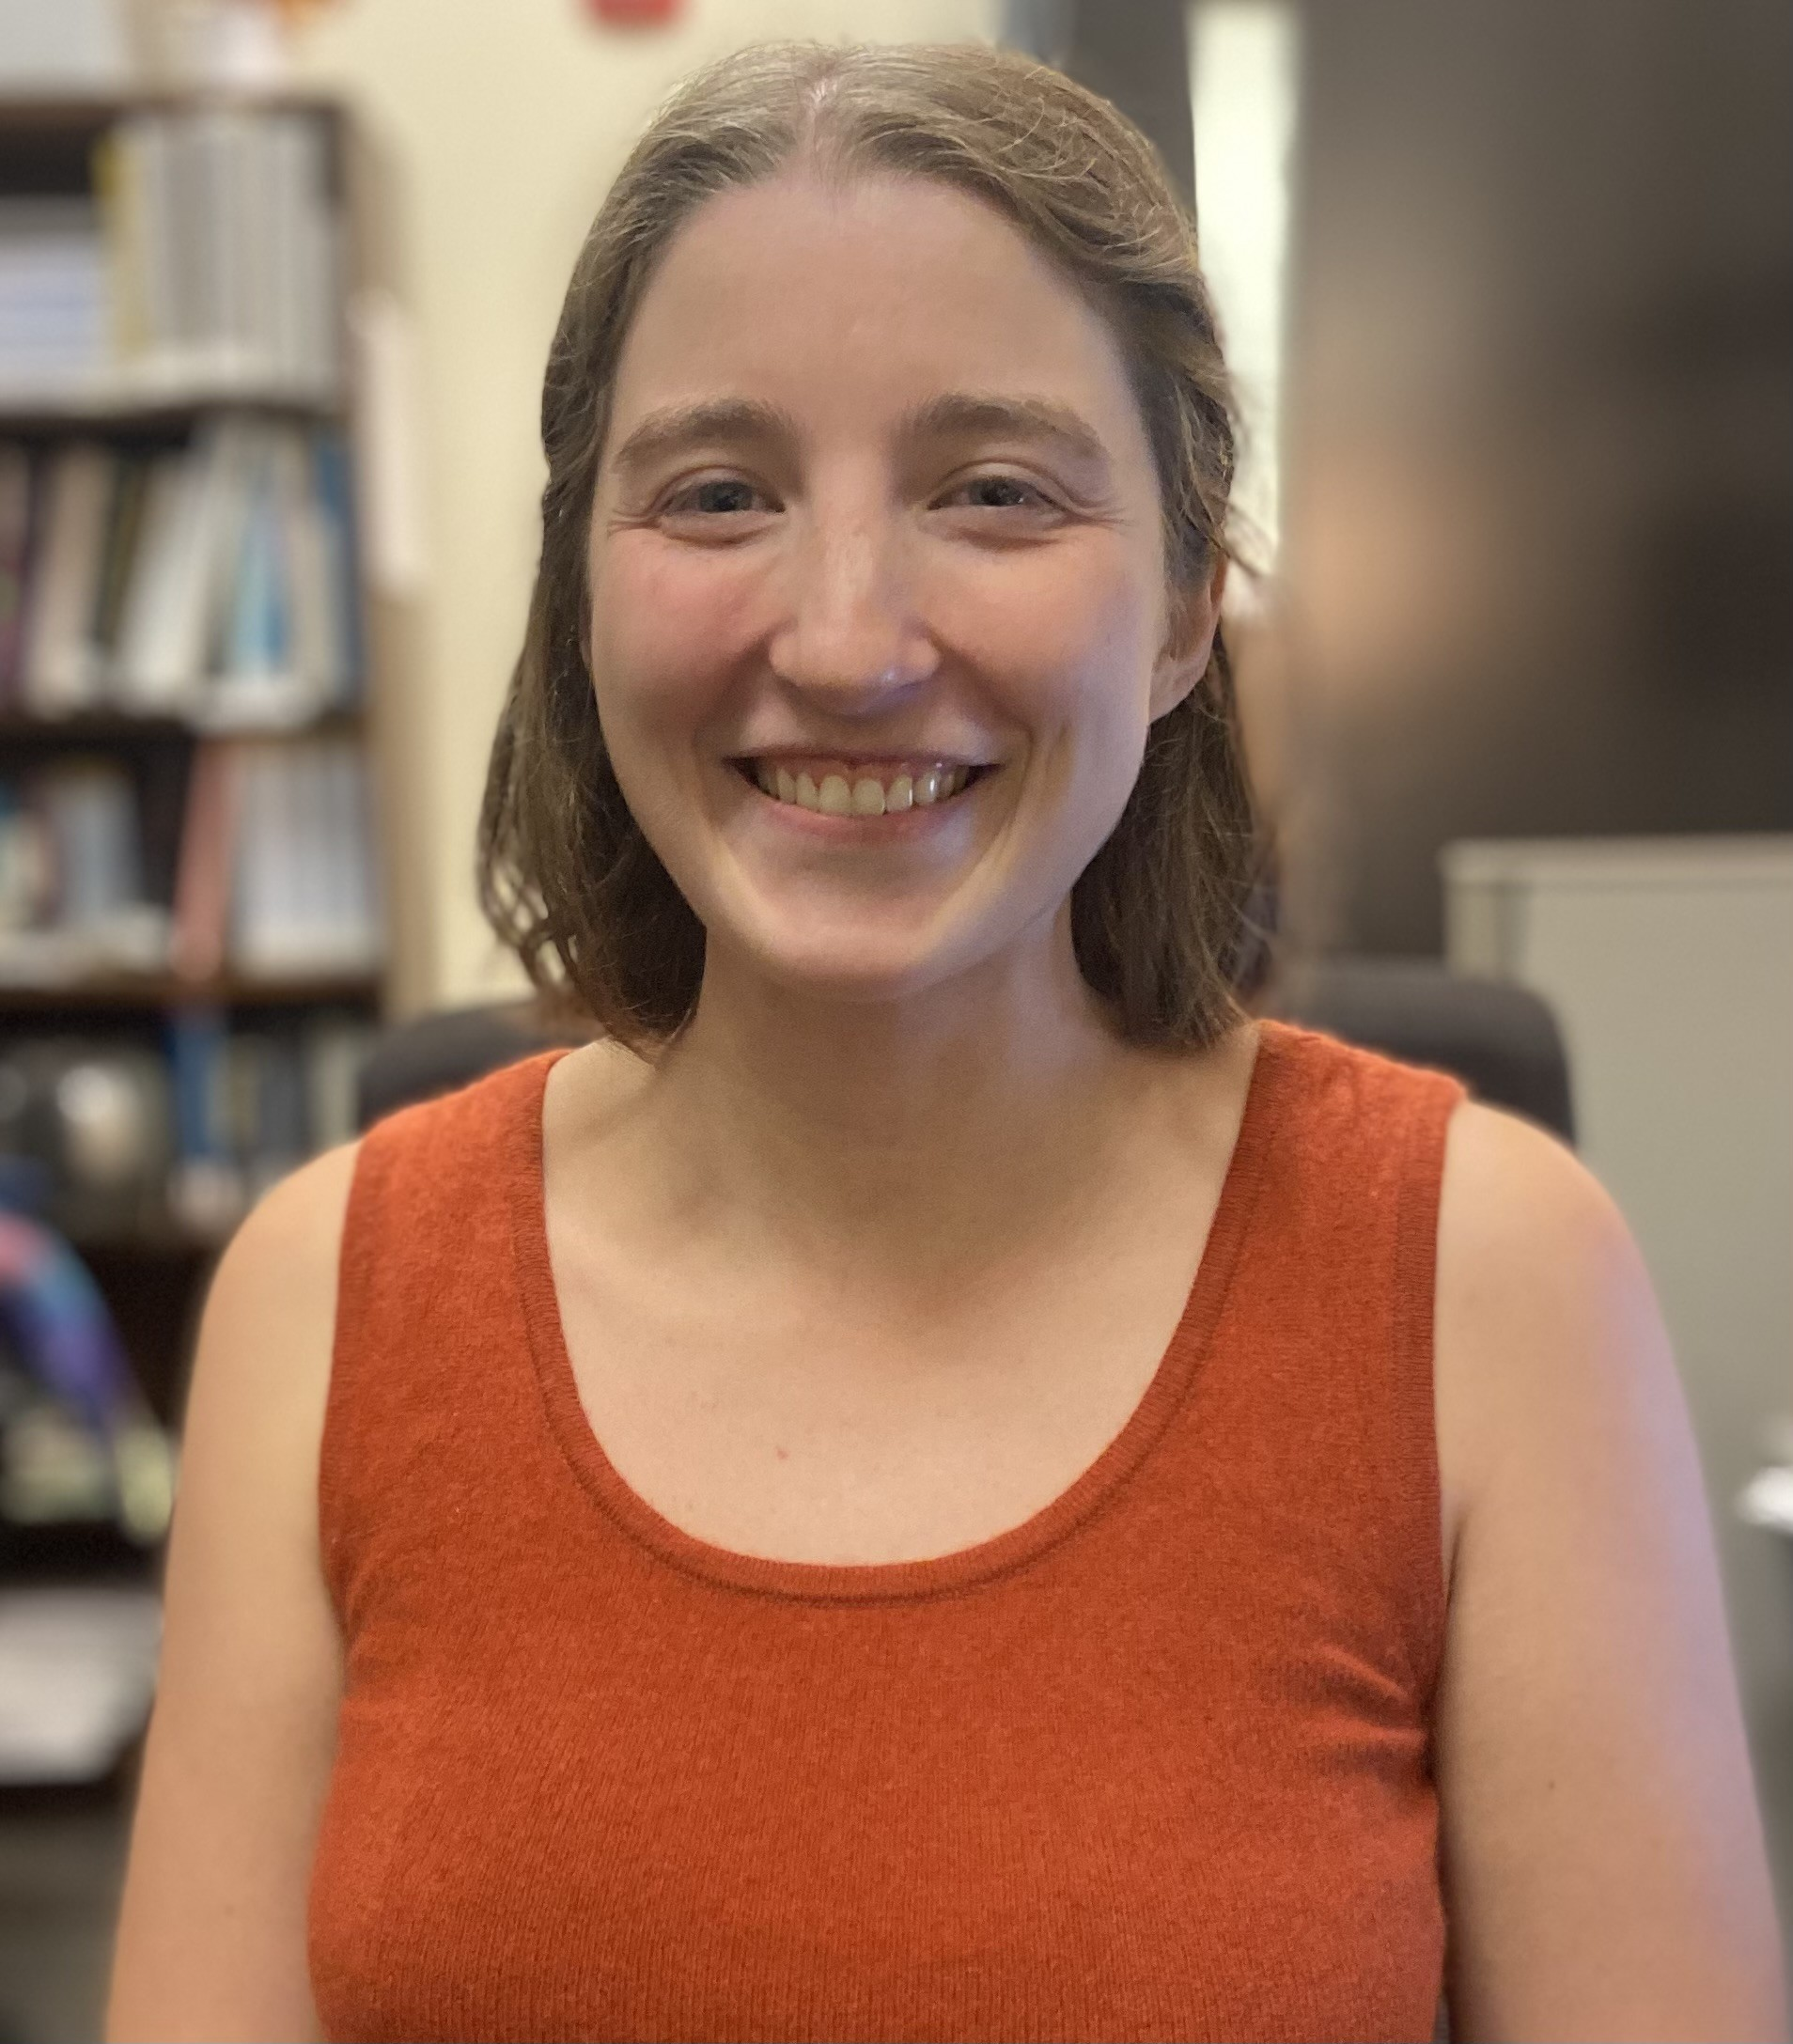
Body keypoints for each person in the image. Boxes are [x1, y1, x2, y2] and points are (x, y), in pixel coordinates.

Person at [105, 39, 1785, 2044]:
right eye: (717, 491)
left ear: (1182, 607)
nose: (846, 637)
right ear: (579, 592)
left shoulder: (1494, 1280)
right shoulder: (324, 1293)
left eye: (993, 489)